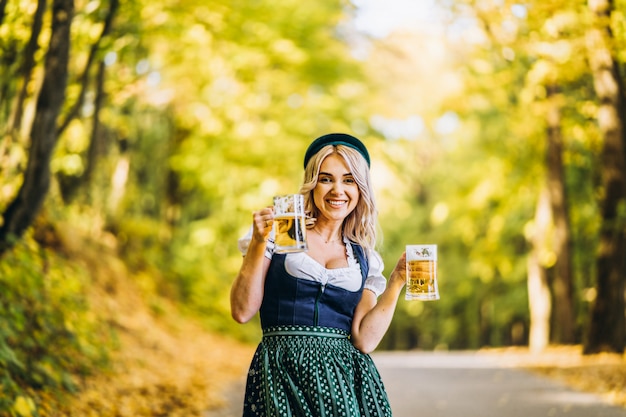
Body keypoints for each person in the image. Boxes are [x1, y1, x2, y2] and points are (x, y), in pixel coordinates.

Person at [231, 133, 407, 417]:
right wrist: (258, 243)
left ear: (360, 189)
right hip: (282, 372)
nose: (337, 190)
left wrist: (397, 280)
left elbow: (364, 340)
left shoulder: (364, 257)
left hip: (345, 382)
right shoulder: (280, 234)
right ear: (312, 185)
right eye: (326, 179)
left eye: (349, 180)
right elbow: (241, 311)